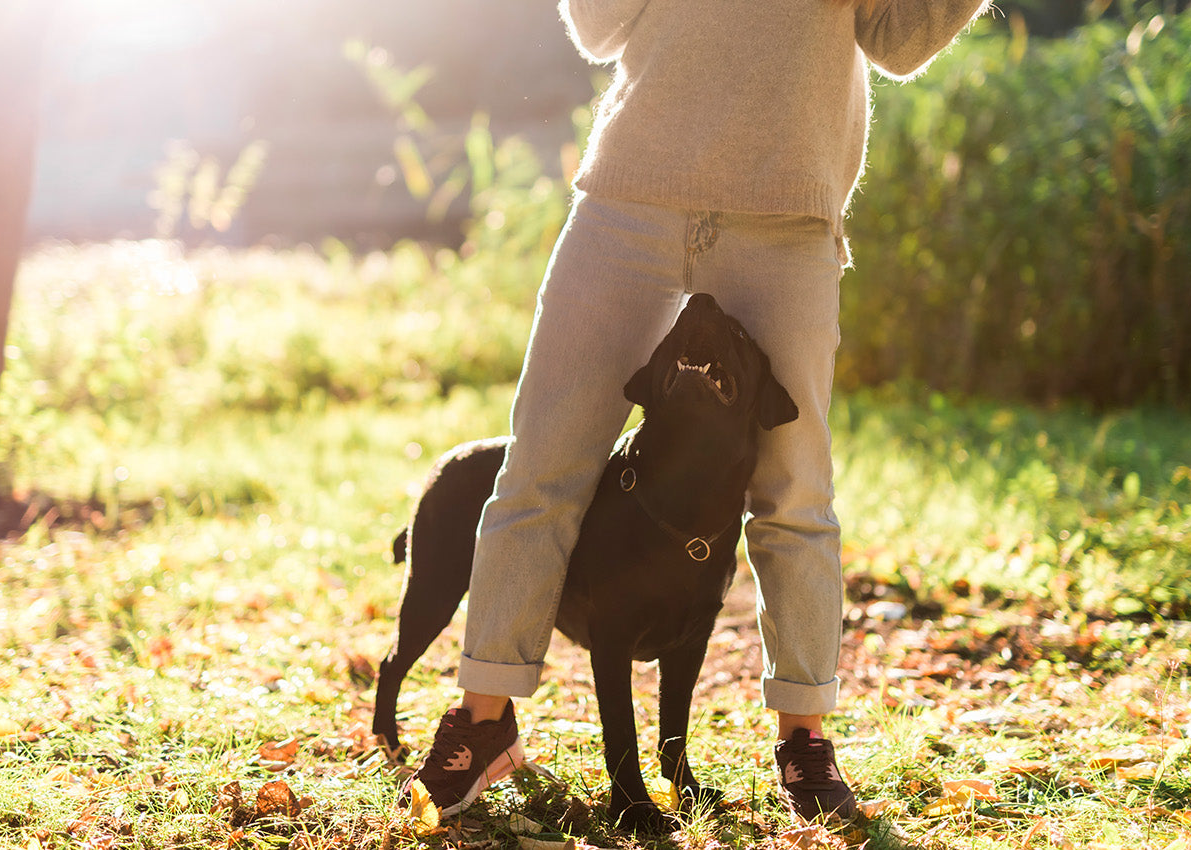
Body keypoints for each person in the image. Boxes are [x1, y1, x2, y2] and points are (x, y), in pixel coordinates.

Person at [403, 0, 992, 824]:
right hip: (631, 199)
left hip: (785, 212)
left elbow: (898, 42)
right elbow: (601, 28)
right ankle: (485, 721)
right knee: (541, 466)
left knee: (794, 495)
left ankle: (804, 743)